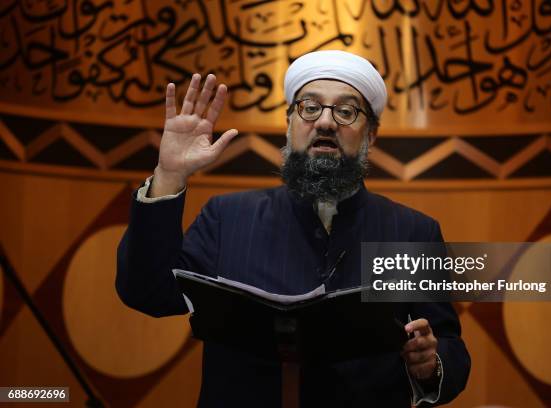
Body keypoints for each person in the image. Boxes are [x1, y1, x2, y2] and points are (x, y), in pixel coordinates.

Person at [116, 50, 470, 407]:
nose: (326, 123)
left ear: (371, 135)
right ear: (289, 124)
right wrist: (170, 175)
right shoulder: (227, 218)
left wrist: (429, 364)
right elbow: (148, 293)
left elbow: (450, 348)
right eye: (310, 107)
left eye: (346, 111)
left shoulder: (412, 232)